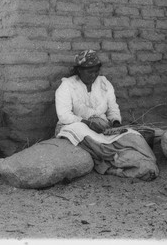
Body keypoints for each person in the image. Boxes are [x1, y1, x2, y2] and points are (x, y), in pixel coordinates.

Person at [55, 50, 159, 181]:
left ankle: (139, 161)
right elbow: (64, 116)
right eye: (89, 72)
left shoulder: (104, 83)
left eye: (96, 71)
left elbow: (113, 108)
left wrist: (115, 123)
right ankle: (115, 164)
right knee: (102, 147)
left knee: (134, 138)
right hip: (75, 126)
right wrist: (88, 123)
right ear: (79, 70)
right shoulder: (67, 86)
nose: (93, 75)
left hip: (103, 127)